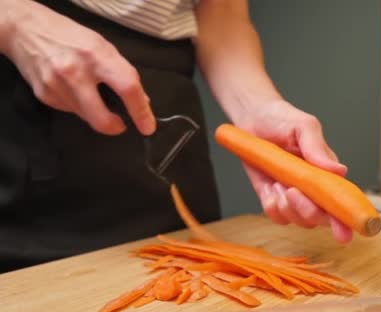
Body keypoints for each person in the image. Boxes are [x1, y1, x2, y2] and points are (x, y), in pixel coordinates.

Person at [0, 0, 352, 273]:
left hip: (172, 126)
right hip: (27, 102)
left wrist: (259, 108)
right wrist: (17, 23)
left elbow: (223, 15)